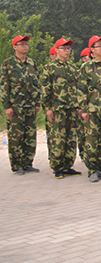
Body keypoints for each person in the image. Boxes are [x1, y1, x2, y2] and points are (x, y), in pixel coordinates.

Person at [41, 38, 81, 179]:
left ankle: (68, 165)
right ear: (56, 50)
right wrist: (47, 108)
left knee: (71, 138)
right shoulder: (50, 67)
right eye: (63, 48)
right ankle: (57, 167)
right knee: (58, 138)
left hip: (71, 108)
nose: (66, 51)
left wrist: (79, 106)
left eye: (68, 48)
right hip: (57, 108)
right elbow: (46, 89)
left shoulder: (72, 68)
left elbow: (78, 88)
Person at [78, 35, 101, 182]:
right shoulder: (87, 67)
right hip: (93, 110)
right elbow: (81, 89)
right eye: (98, 46)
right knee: (92, 141)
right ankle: (92, 170)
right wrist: (84, 110)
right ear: (92, 50)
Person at [1, 35, 41, 175]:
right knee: (16, 136)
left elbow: (36, 84)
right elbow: (4, 86)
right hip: (16, 106)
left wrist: (37, 103)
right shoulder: (8, 63)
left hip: (31, 105)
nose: (25, 46)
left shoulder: (32, 63)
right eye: (22, 44)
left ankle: (28, 163)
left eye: (26, 44)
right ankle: (17, 165)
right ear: (15, 47)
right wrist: (7, 106)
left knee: (30, 136)